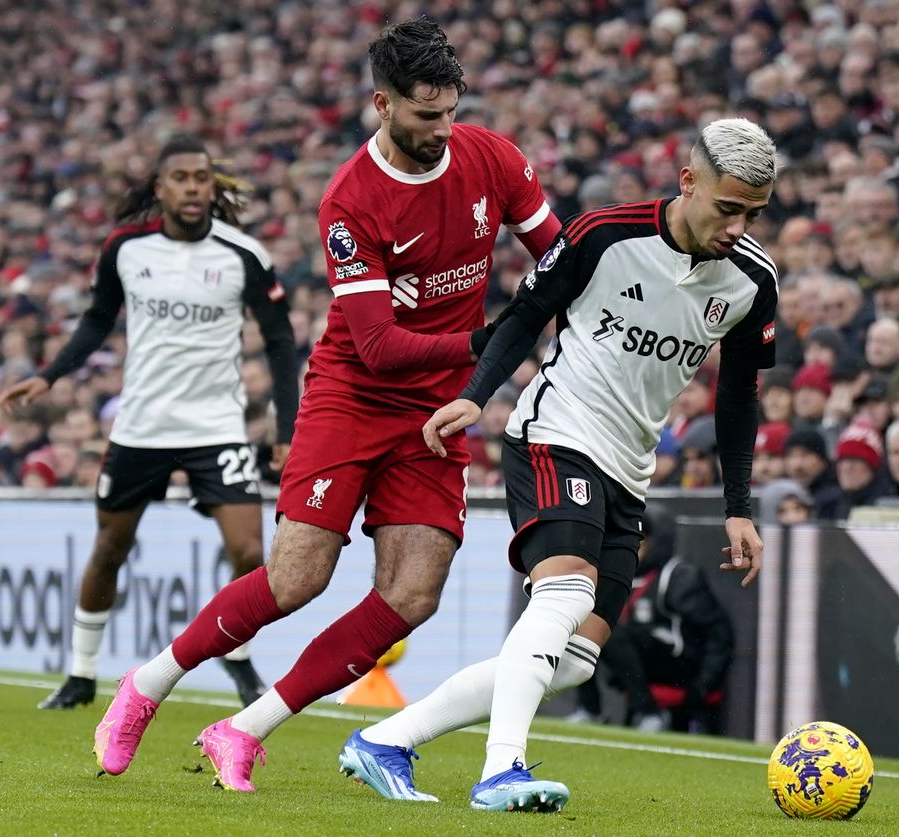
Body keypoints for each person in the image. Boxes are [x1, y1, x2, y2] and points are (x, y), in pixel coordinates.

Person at [90, 18, 561, 791]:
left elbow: (559, 254)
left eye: (450, 111)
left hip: (434, 412)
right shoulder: (352, 199)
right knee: (295, 578)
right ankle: (146, 686)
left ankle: (243, 728)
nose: (442, 130)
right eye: (423, 116)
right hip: (353, 395)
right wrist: (493, 342)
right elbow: (377, 345)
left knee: (413, 594)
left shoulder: (492, 158)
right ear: (383, 103)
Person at [341, 117, 777, 812]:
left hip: (630, 469)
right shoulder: (604, 234)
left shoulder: (753, 280)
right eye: (728, 208)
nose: (738, 225)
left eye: (754, 212)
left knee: (574, 660)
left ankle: (385, 740)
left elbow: (738, 397)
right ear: (689, 181)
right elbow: (525, 314)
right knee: (564, 597)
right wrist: (475, 397)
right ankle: (500, 771)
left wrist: (738, 506)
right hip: (556, 434)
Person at [0, 135, 299, 710]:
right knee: (111, 545)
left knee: (248, 552)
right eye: (181, 177)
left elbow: (282, 345)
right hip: (142, 425)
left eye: (202, 177)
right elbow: (96, 321)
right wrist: (50, 375)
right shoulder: (125, 250)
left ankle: (236, 660)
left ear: (213, 186)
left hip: (217, 425)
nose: (193, 187)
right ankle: (81, 674)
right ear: (160, 188)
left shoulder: (244, 255)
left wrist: (285, 430)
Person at [561, 505, 734, 735]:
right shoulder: (621, 574)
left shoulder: (678, 576)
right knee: (582, 626)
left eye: (640, 538)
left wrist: (702, 687)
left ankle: (649, 713)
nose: (632, 544)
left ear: (656, 540)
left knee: (611, 634)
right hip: (639, 659)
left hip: (679, 663)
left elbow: (719, 635)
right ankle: (591, 708)